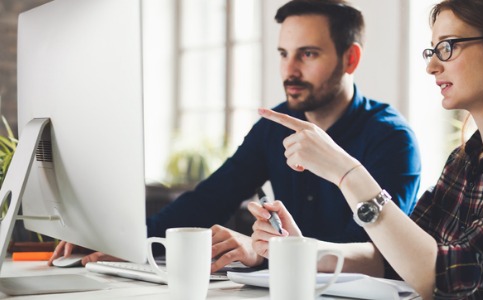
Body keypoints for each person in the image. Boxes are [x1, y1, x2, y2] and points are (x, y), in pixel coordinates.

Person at [249, 0, 483, 299]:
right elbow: (395, 257)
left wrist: (347, 172)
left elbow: (448, 277)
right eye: (432, 51)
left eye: (447, 47)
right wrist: (300, 249)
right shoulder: (464, 162)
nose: (432, 66)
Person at [48, 0, 421, 277]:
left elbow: (379, 255)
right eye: (283, 54)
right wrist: (127, 245)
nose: (289, 70)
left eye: (307, 54)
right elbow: (210, 198)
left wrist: (267, 251)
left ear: (350, 59)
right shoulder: (276, 125)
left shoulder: (392, 139)